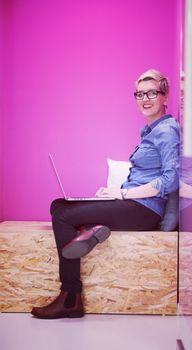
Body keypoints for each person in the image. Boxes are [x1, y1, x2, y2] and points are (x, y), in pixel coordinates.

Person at [31, 68, 180, 319]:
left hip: (144, 210)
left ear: (165, 97)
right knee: (58, 205)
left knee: (63, 216)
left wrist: (121, 194)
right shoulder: (150, 131)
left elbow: (171, 179)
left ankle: (70, 298)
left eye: (152, 93)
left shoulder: (167, 130)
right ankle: (92, 228)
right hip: (135, 203)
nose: (145, 99)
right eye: (139, 94)